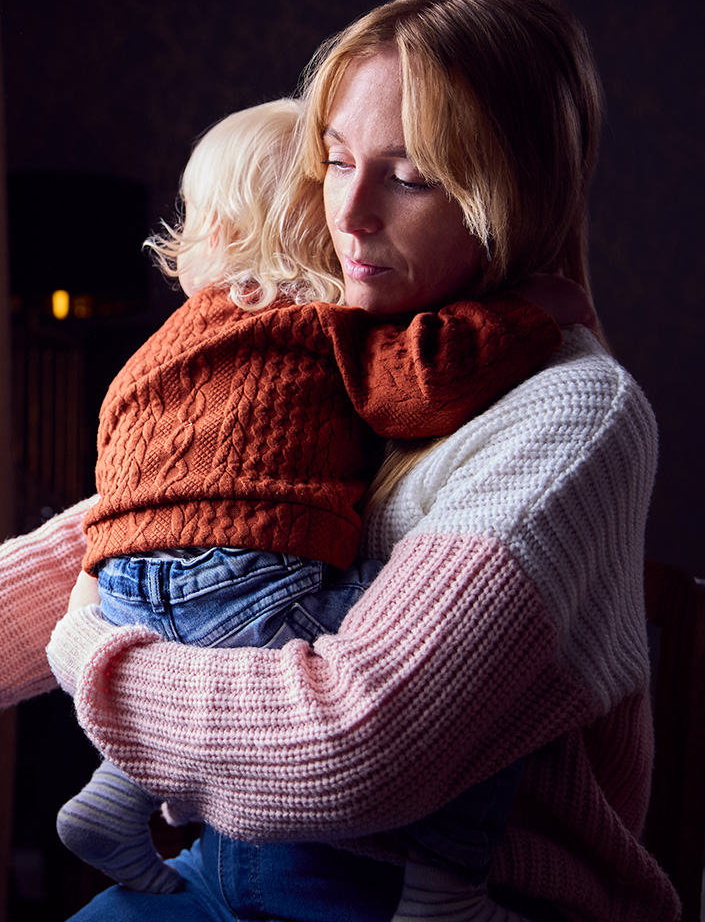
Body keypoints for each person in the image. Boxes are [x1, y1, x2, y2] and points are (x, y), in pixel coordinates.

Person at [0, 0, 679, 922]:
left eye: (408, 176)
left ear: (509, 196)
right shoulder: (345, 348)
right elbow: (124, 543)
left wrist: (89, 651)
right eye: (336, 159)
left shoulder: (568, 417)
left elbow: (349, 748)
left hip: (436, 902)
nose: (346, 213)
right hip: (223, 869)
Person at [57, 95, 569, 902]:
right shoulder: (321, 320)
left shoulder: (163, 346)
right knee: (483, 683)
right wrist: (533, 317)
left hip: (120, 582)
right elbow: (421, 388)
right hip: (243, 575)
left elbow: (125, 467)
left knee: (190, 637)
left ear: (215, 237)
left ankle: (116, 790)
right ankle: (446, 884)